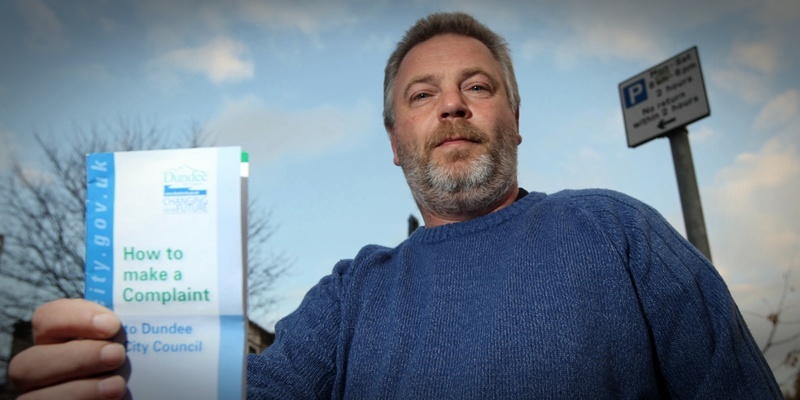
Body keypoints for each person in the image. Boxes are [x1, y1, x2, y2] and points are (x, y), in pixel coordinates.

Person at [9, 12, 781, 399]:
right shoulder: (350, 295)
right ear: (393, 140)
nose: (452, 106)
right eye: (424, 94)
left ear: (514, 117)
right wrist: (113, 376)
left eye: (477, 87)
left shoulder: (617, 231)